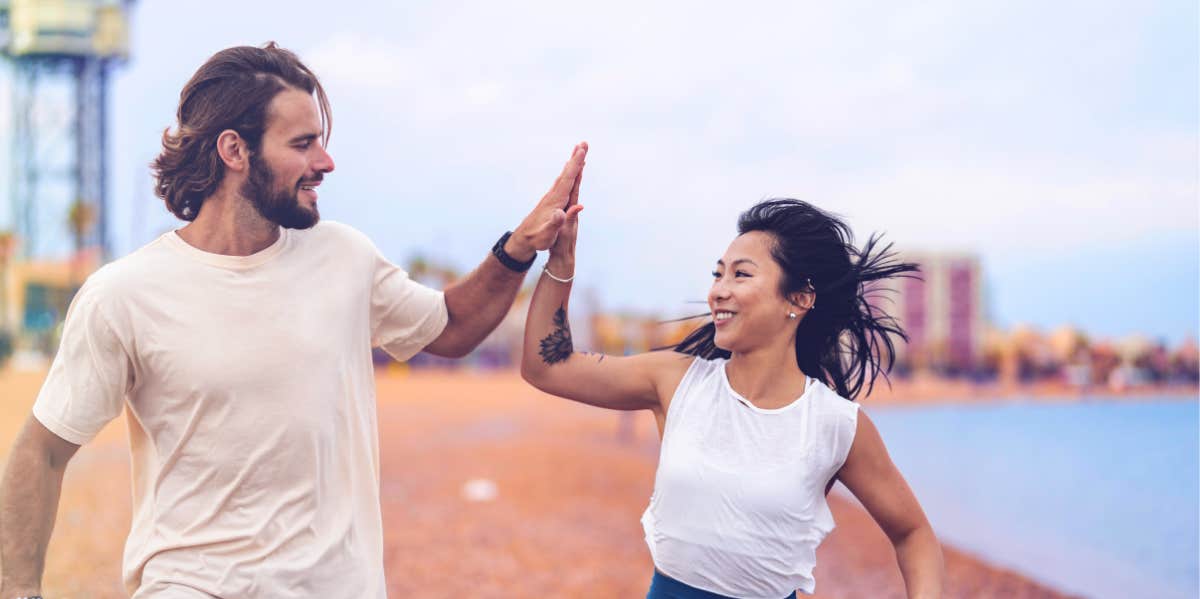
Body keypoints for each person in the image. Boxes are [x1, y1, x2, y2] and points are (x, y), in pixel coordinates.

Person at [0, 42, 587, 598]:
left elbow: (452, 327)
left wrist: (519, 248)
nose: (325, 162)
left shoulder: (344, 257)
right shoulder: (123, 294)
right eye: (303, 144)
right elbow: (42, 450)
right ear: (235, 151)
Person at [521, 194, 945, 598]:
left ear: (798, 298)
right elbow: (547, 367)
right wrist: (560, 261)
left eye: (740, 274)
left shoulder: (836, 424)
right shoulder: (676, 380)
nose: (718, 290)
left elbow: (914, 535)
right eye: (718, 273)